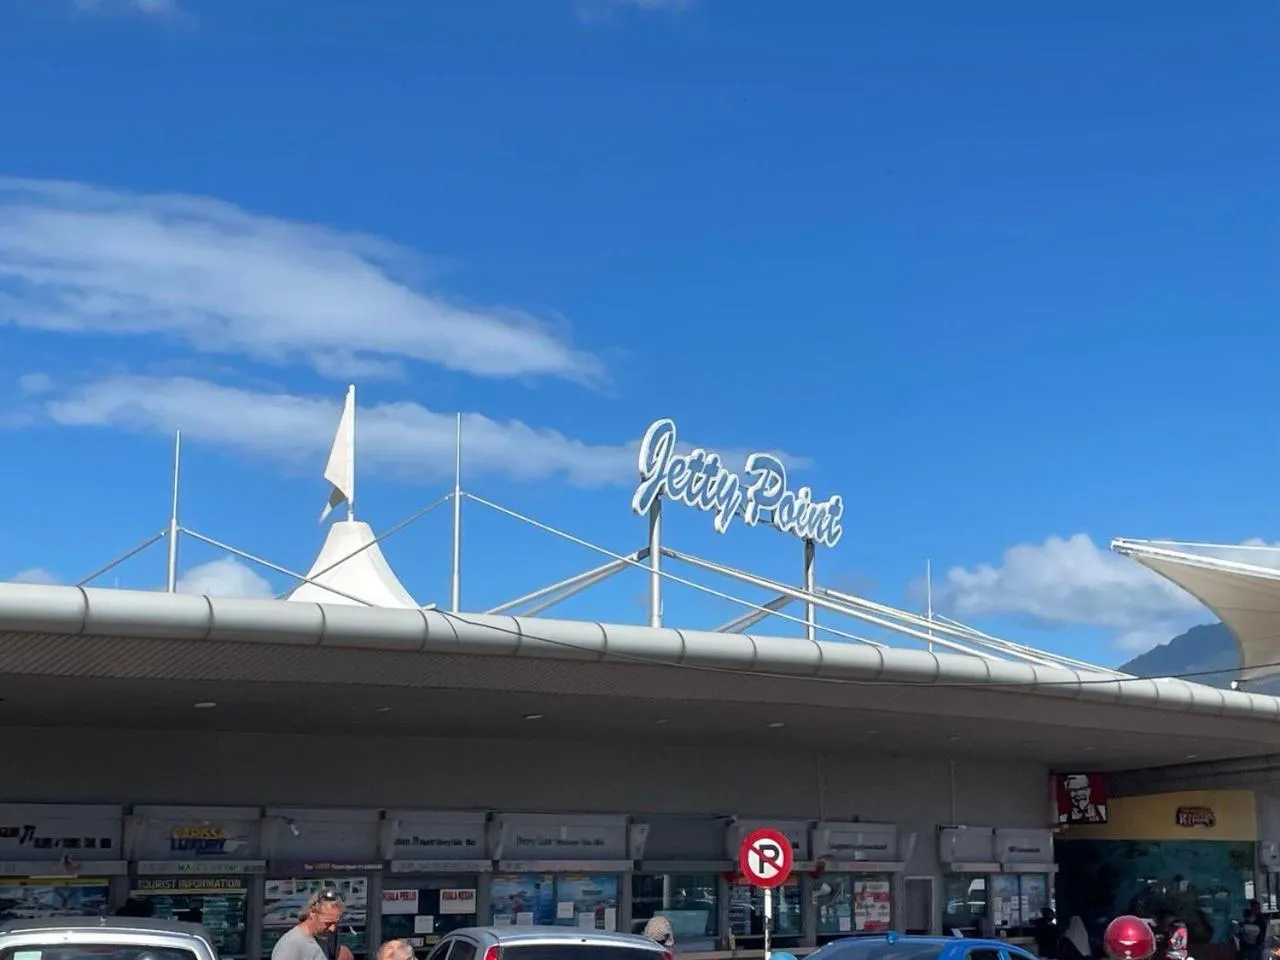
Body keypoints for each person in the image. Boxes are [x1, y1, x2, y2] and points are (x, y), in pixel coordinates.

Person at [272, 889, 349, 960]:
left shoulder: (325, 937)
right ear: (312, 913)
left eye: (336, 923)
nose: (332, 928)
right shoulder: (291, 945)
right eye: (328, 923)